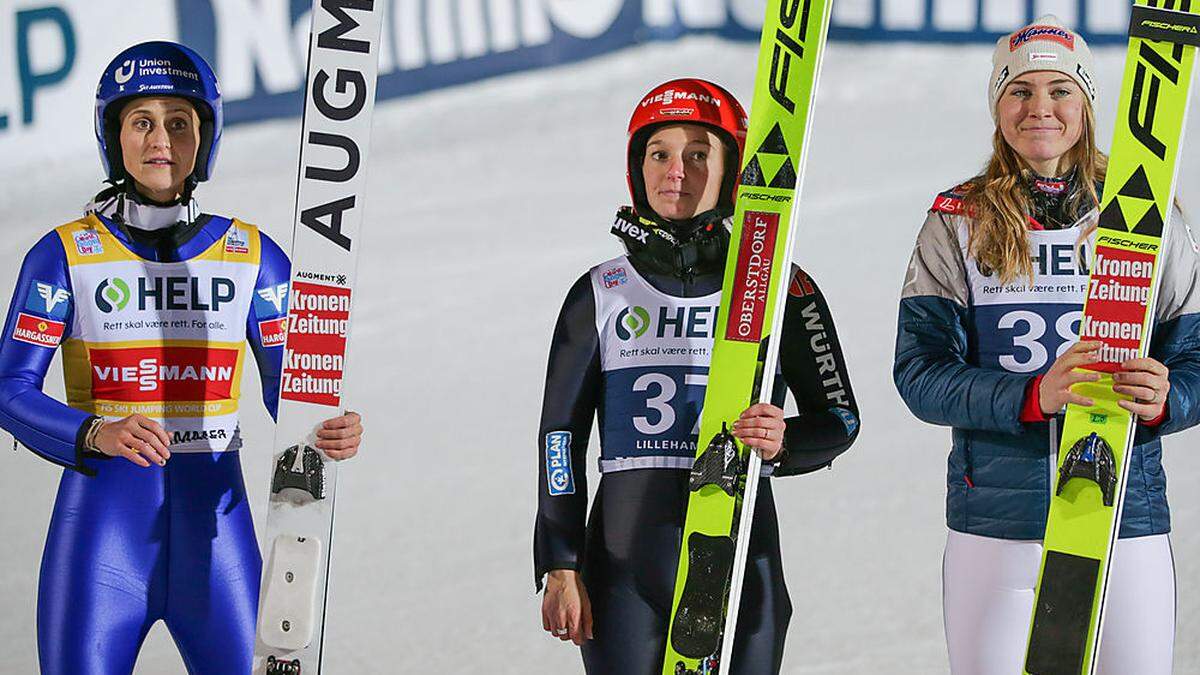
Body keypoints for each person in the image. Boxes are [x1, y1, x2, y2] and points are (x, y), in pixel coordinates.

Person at [0, 41, 363, 674]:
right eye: (141, 121)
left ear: (206, 138)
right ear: (113, 135)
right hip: (100, 539)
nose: (160, 140)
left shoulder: (253, 255)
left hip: (216, 538)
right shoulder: (64, 254)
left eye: (179, 123)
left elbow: (296, 393)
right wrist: (95, 431)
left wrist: (326, 427)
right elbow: (8, 389)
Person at [894, 16, 1200, 675]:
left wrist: (1168, 394)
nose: (1040, 109)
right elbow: (919, 372)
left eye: (1060, 90)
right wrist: (1032, 395)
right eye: (1019, 91)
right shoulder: (957, 219)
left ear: (1086, 102)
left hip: (1125, 516)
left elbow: (1198, 357)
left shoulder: (1143, 215)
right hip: (997, 521)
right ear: (996, 106)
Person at [534, 78, 859, 674]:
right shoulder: (600, 292)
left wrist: (785, 439)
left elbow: (840, 417)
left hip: (742, 558)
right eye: (659, 153)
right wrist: (560, 562)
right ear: (638, 167)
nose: (676, 172)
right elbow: (560, 440)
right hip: (624, 569)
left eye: (698, 155)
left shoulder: (782, 286)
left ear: (732, 168)